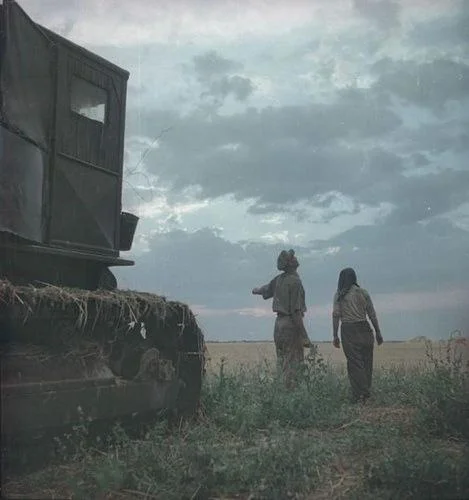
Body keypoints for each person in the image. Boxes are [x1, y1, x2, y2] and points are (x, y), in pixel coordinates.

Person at [252, 249, 312, 388]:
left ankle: (282, 392)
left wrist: (256, 290)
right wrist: (304, 336)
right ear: (290, 263)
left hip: (279, 325)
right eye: (293, 257)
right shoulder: (295, 282)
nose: (296, 258)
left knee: (282, 362)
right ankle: (290, 396)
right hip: (290, 325)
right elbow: (296, 313)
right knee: (293, 363)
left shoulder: (279, 280)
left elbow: (265, 289)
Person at [332, 267, 383, 403]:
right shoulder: (363, 292)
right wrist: (378, 332)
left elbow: (336, 315)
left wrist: (335, 335)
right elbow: (372, 314)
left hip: (349, 330)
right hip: (365, 329)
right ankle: (365, 392)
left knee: (354, 364)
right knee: (367, 362)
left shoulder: (339, 295)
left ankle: (360, 394)